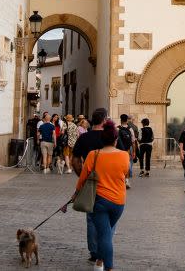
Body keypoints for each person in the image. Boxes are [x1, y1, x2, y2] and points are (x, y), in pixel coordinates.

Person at [75, 120, 128, 271]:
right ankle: (99, 260)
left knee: (104, 234)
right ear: (116, 140)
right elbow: (127, 173)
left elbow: (83, 178)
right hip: (119, 202)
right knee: (107, 231)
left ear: (102, 140)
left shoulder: (93, 155)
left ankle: (108, 267)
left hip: (99, 201)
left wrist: (76, 193)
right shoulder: (124, 155)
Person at [72, 108, 107, 264]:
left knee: (91, 218)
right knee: (108, 217)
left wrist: (82, 176)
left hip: (90, 182)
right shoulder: (110, 137)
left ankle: (94, 251)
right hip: (109, 182)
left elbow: (75, 160)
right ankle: (104, 249)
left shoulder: (84, 138)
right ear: (105, 120)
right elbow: (122, 155)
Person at [117, 114, 136, 188]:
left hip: (119, 150)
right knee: (127, 164)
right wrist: (134, 151)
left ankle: (120, 180)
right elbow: (133, 141)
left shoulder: (117, 129)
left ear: (121, 119)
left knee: (119, 165)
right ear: (127, 120)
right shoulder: (130, 129)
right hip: (127, 150)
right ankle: (127, 180)